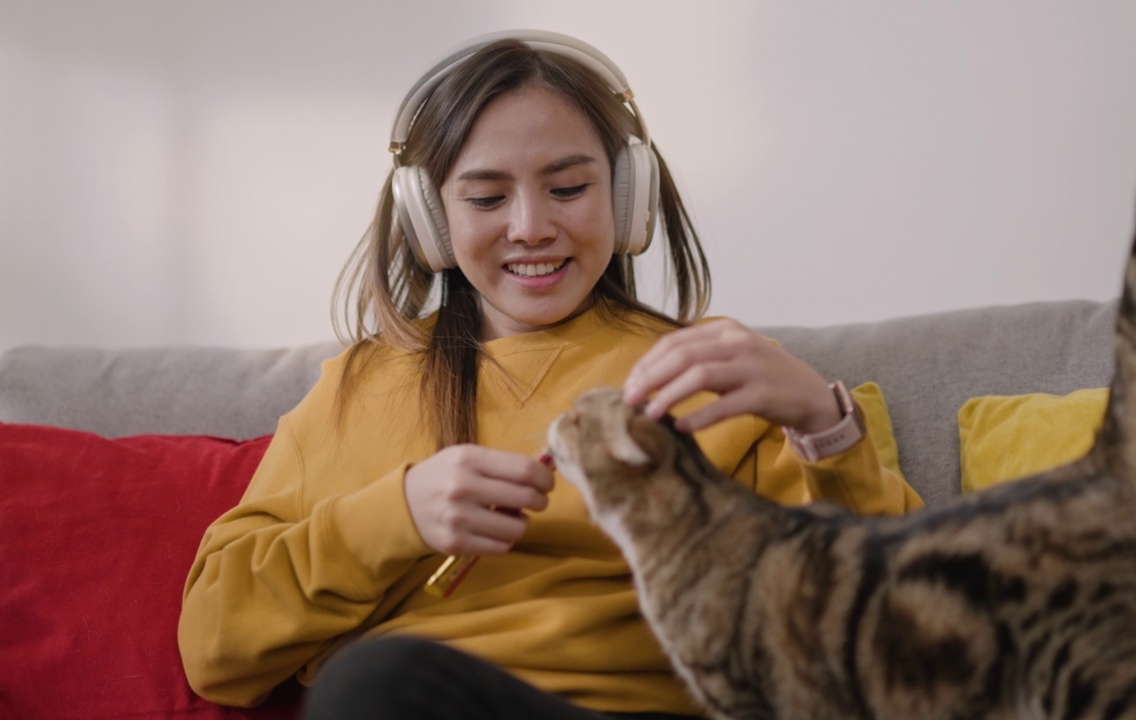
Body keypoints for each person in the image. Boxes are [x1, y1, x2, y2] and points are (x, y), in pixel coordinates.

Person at [177, 30, 923, 720]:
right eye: (486, 197)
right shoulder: (360, 386)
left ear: (626, 197)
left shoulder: (715, 372)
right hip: (412, 698)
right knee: (375, 683)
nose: (531, 225)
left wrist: (824, 426)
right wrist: (396, 515)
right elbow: (214, 648)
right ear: (430, 217)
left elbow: (898, 636)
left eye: (568, 188)